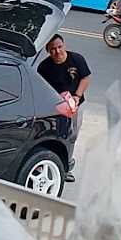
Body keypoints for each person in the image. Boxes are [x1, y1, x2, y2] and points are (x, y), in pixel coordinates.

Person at [37, 34, 91, 181]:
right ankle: (51, 163)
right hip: (56, 108)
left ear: (64, 45)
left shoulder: (77, 59)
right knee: (55, 136)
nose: (57, 51)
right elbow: (41, 88)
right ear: (48, 51)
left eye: (59, 47)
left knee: (72, 136)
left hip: (76, 106)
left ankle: (66, 166)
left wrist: (77, 96)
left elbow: (86, 78)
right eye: (53, 49)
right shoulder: (44, 67)